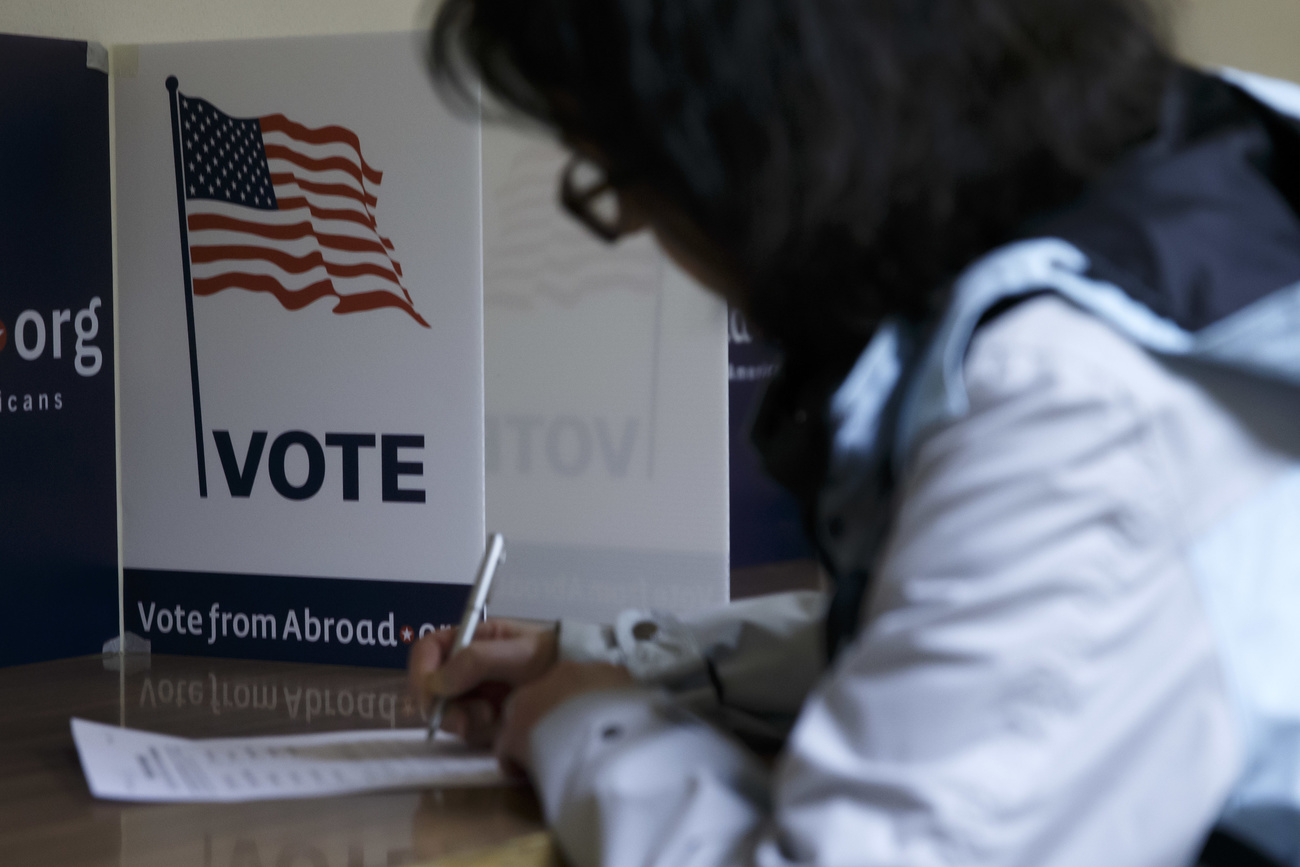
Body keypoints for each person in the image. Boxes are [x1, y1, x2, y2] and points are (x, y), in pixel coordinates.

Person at [409, 1, 1300, 864]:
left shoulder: (1076, 403)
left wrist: (592, 726)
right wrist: (617, 666)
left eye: (621, 177)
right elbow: (962, 630)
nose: (641, 225)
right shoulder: (1199, 184)